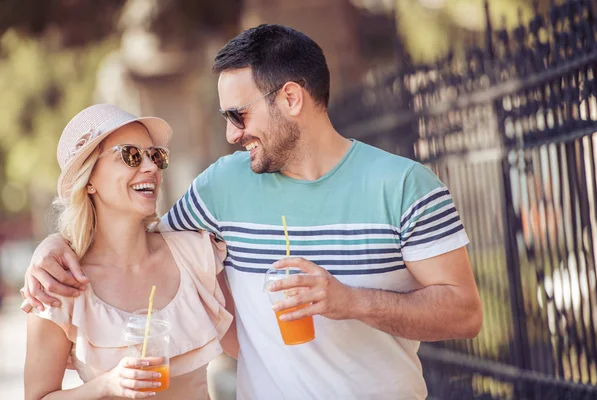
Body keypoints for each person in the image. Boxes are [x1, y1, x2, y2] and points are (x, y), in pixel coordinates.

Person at [22, 25, 482, 399]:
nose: (231, 135)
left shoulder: (406, 186)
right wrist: (56, 245)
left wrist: (350, 301)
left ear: (290, 99)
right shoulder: (223, 185)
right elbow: (134, 237)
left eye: (238, 115)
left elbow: (464, 314)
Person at [21, 104, 237, 400]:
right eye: (130, 155)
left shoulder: (195, 254)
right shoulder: (57, 285)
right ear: (90, 180)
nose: (150, 167)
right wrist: (106, 385)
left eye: (155, 155)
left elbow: (251, 345)